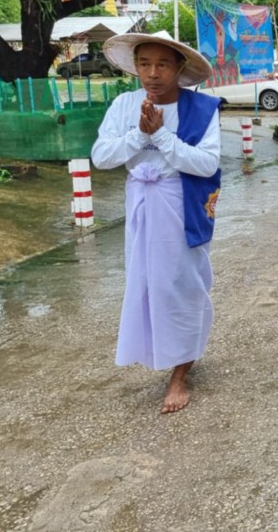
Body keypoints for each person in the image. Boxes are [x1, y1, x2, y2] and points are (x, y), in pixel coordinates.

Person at [91, 30, 221, 414]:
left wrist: (161, 136)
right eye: (145, 64)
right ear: (135, 67)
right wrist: (139, 134)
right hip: (141, 205)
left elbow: (206, 163)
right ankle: (160, 352)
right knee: (146, 283)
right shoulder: (124, 105)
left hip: (181, 205)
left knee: (182, 284)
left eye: (163, 64)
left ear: (179, 68)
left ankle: (181, 371)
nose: (152, 73)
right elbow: (102, 156)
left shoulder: (201, 109)